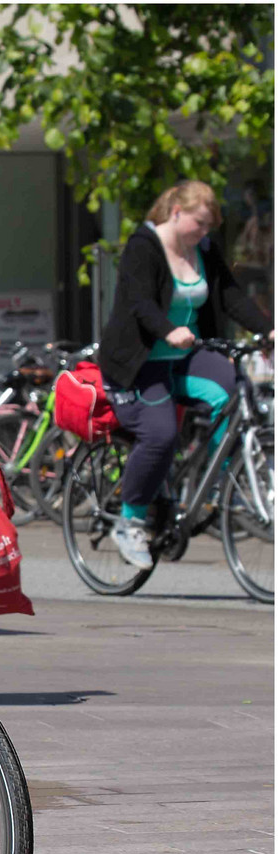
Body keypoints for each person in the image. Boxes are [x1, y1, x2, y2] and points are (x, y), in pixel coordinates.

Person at [98, 179, 275, 568]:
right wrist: (168, 329)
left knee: (233, 389)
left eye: (210, 226)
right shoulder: (143, 247)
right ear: (176, 213)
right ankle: (130, 522)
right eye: (199, 223)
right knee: (161, 435)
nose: (205, 232)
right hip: (141, 362)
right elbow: (139, 302)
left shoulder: (204, 249)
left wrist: (265, 331)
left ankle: (217, 486)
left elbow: (230, 296)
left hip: (185, 356)